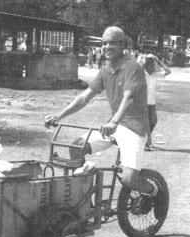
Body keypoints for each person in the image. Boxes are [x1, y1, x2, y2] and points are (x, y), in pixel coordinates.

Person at [45, 26, 163, 218]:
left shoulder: (132, 67)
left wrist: (115, 121)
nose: (107, 47)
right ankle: (87, 204)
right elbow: (85, 97)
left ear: (123, 45)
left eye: (112, 43)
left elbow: (129, 98)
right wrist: (59, 116)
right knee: (76, 147)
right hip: (114, 125)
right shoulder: (105, 69)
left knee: (129, 178)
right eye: (104, 43)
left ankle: (156, 193)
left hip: (134, 127)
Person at [138, 54, 171, 150]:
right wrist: (143, 61)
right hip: (142, 102)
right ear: (146, 66)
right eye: (151, 66)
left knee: (153, 121)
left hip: (152, 102)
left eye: (153, 65)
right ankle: (146, 143)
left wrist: (159, 61)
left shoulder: (156, 74)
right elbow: (136, 68)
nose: (153, 67)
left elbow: (168, 71)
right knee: (145, 123)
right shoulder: (141, 74)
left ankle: (145, 141)